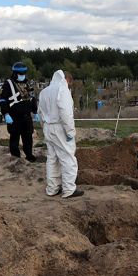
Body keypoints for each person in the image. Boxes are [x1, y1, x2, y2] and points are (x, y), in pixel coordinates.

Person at [38, 70, 83, 198]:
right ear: (67, 79)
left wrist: (44, 127)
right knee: (68, 157)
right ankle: (69, 189)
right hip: (60, 127)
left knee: (52, 159)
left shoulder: (44, 91)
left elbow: (40, 112)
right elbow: (65, 112)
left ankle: (52, 188)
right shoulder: (62, 89)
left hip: (48, 127)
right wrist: (70, 131)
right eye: (69, 83)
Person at [0, 62, 38, 162]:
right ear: (15, 73)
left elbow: (32, 98)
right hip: (14, 117)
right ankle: (16, 158)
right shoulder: (8, 84)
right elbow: (3, 100)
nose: (22, 76)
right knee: (14, 138)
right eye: (20, 74)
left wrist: (35, 112)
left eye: (24, 73)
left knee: (28, 137)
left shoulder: (27, 83)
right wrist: (6, 114)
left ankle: (29, 155)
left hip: (27, 117)